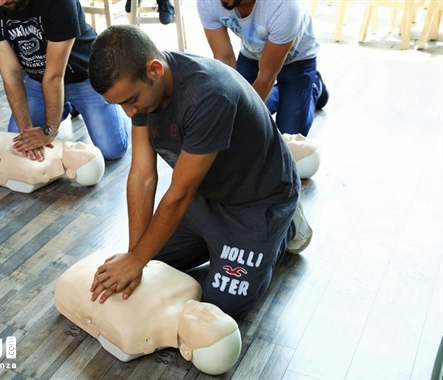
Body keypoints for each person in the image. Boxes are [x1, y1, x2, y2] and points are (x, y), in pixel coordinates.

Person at [86, 24, 313, 319]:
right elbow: (142, 177)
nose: (130, 113)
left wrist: (138, 259)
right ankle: (213, 241)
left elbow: (179, 195)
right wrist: (135, 256)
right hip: (205, 196)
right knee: (149, 261)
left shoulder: (207, 95)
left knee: (220, 308)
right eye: (121, 105)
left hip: (257, 204)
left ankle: (287, 224)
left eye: (130, 100)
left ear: (154, 69)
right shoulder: (143, 91)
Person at [0, 0, 130, 162]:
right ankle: (66, 105)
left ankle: (117, 104)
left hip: (86, 77)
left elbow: (54, 76)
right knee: (17, 138)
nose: (1, 2)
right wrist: (26, 132)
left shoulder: (61, 3)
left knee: (111, 150)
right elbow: (11, 75)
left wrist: (49, 131)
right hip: (39, 80)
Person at [54, 248, 242, 375]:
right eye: (220, 315)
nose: (207, 311)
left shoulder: (133, 335)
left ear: (186, 351)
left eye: (206, 322)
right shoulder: (191, 287)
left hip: (75, 280)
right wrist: (135, 258)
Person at [197, 0, 329, 136]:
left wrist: (241, 120)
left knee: (288, 134)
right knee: (241, 110)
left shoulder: (285, 5)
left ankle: (314, 87)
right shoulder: (208, 2)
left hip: (298, 58)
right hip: (252, 54)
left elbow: (266, 77)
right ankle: (282, 94)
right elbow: (224, 59)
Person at [0, 131, 105, 192]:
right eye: (84, 145)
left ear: (72, 173)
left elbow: (15, 148)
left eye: (81, 151)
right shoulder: (59, 146)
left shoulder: (39, 170)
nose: (80, 143)